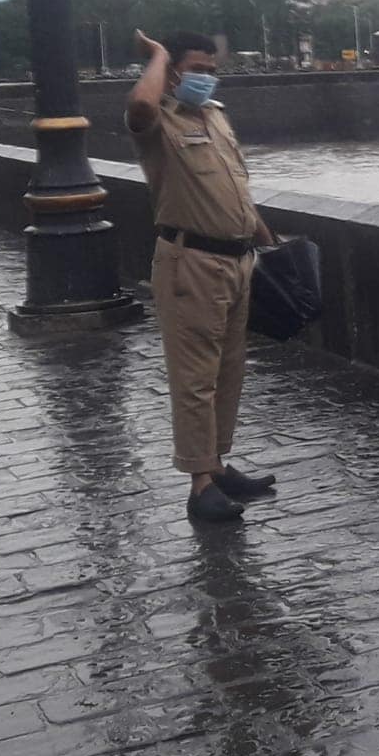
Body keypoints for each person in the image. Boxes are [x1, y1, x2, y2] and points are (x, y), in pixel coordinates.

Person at [127, 30, 277, 523]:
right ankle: (199, 485)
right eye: (195, 69)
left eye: (211, 69)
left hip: (237, 261)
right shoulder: (159, 123)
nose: (206, 78)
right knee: (195, 379)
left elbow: (237, 189)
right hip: (190, 262)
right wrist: (159, 56)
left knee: (229, 372)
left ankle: (217, 464)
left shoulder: (215, 117)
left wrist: (267, 241)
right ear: (172, 73)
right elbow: (141, 108)